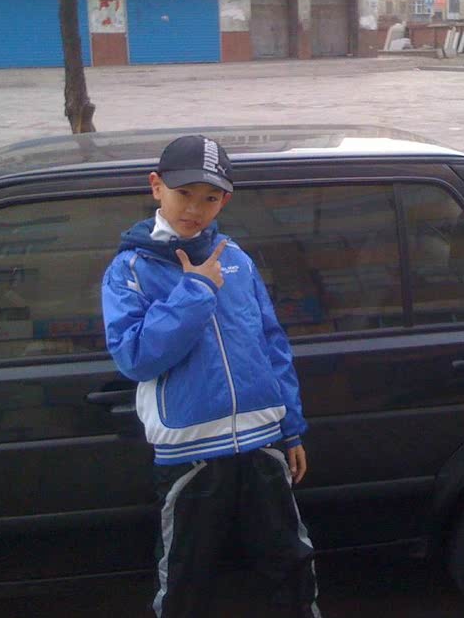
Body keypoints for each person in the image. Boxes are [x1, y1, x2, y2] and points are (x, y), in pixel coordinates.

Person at [101, 135, 320, 618]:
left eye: (210, 198)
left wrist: (291, 429)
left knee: (290, 564)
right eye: (184, 194)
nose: (194, 209)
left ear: (225, 200)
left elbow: (272, 344)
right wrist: (195, 290)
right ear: (156, 186)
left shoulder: (236, 258)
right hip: (191, 456)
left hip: (262, 445)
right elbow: (134, 357)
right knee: (185, 578)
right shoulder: (129, 269)